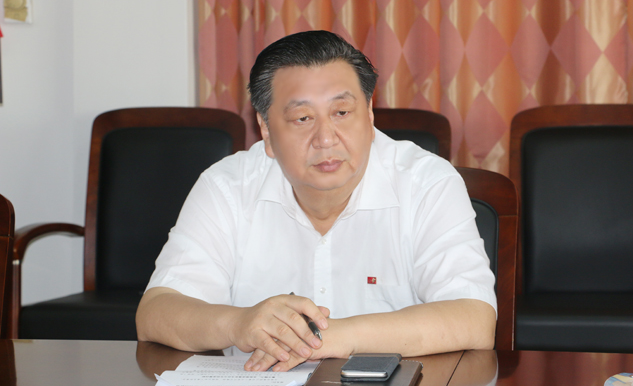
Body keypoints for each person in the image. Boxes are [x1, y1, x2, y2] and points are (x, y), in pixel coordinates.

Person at [136, 30, 496, 372]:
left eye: (342, 113)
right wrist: (239, 323)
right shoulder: (227, 187)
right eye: (302, 118)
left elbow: (474, 318)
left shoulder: (427, 183)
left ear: (370, 113)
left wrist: (336, 337)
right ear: (266, 130)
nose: (326, 138)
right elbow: (156, 313)